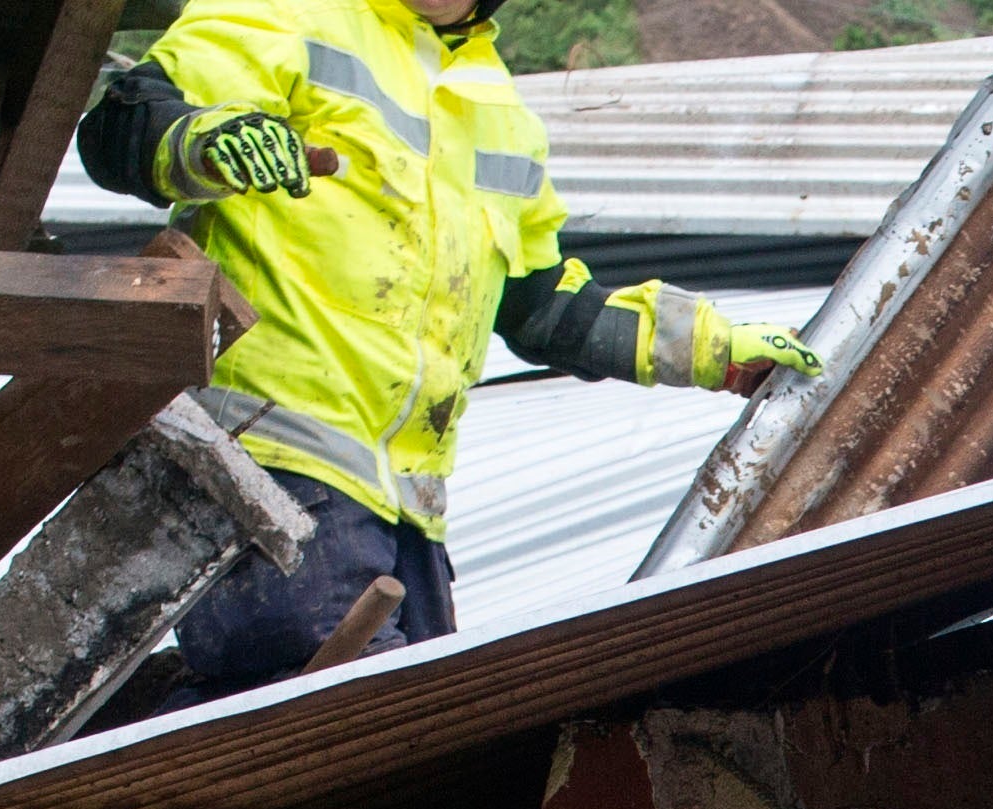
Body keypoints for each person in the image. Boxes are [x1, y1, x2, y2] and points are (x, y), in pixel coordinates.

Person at [78, 0, 823, 701]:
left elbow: (541, 307)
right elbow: (121, 126)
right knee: (325, 709)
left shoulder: (499, 114)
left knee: (418, 728)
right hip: (271, 460)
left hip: (407, 507)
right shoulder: (288, 12)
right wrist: (202, 142)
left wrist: (714, 349)